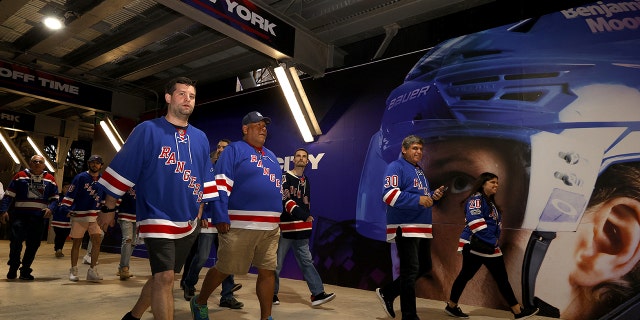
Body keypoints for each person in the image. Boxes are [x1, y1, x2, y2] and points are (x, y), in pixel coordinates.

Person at [96, 76, 215, 320]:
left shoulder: (201, 137)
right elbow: (125, 167)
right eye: (181, 94)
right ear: (169, 98)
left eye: (191, 96)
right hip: (155, 213)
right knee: (166, 278)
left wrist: (200, 208)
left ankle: (133, 316)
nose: (187, 99)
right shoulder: (147, 130)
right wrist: (108, 208)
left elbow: (205, 177)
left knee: (164, 274)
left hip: (189, 220)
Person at [191, 111, 282, 320]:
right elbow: (221, 184)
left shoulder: (271, 156)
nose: (263, 129)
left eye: (265, 126)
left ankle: (266, 317)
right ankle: (200, 301)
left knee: (268, 271)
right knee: (225, 268)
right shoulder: (234, 150)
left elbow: (275, 189)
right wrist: (221, 215)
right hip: (240, 224)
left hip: (270, 228)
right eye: (257, 125)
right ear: (245, 129)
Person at [444, 172, 538, 319]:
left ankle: (451, 306)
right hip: (480, 245)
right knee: (500, 279)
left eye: (497, 183)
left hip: (482, 246)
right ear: (483, 184)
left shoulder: (488, 201)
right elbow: (476, 224)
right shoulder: (476, 199)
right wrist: (493, 242)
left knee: (466, 276)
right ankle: (517, 311)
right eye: (492, 182)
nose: (496, 185)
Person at [374, 135, 445, 320]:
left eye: (420, 149)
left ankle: (388, 293)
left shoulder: (419, 170)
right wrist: (419, 199)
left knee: (423, 266)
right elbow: (388, 195)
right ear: (404, 149)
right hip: (405, 226)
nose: (418, 152)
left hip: (421, 226)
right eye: (414, 148)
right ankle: (409, 315)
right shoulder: (395, 166)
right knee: (410, 270)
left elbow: (419, 196)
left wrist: (432, 195)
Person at [182, 138, 244, 310]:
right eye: (218, 147)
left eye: (225, 147)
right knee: (202, 256)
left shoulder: (235, 169)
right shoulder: (207, 166)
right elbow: (203, 191)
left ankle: (227, 295)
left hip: (226, 220)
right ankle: (189, 283)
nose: (221, 149)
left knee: (227, 259)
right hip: (208, 219)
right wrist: (202, 212)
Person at [274, 147, 335, 307]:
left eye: (304, 156)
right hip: (286, 229)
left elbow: (306, 202)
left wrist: (305, 221)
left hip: (302, 230)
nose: (301, 158)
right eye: (298, 156)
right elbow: (286, 201)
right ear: (293, 160)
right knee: (277, 264)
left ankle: (317, 294)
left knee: (307, 261)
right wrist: (304, 216)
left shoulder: (306, 180)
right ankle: (271, 293)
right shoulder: (285, 177)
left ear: (307, 161)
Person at [0, 155, 58, 280]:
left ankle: (25, 270)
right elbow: (8, 196)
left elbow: (55, 199)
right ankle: (13, 267)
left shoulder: (50, 179)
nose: (37, 163)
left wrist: (50, 208)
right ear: (30, 163)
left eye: (40, 162)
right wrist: (3, 210)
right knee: (15, 243)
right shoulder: (19, 176)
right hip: (20, 217)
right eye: (35, 161)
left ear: (44, 164)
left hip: (38, 218)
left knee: (33, 245)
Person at [61, 154, 105, 282]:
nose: (94, 165)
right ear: (88, 163)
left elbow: (105, 197)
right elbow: (70, 193)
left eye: (97, 163)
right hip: (80, 215)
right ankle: (73, 270)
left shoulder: (103, 180)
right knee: (77, 243)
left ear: (101, 165)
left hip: (95, 215)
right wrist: (65, 208)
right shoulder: (80, 177)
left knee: (97, 241)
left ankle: (92, 271)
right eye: (92, 162)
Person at [116, 187, 136, 280]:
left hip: (138, 216)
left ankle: (122, 267)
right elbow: (118, 196)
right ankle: (124, 268)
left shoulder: (145, 181)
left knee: (132, 243)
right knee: (127, 239)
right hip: (124, 214)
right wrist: (114, 213)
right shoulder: (127, 180)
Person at [50, 181, 71, 258]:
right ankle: (58, 249)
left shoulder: (72, 198)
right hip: (57, 220)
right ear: (62, 188)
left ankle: (59, 249)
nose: (68, 189)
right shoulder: (58, 197)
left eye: (69, 188)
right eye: (66, 187)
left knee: (64, 236)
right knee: (59, 235)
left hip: (68, 222)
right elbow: (54, 206)